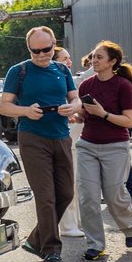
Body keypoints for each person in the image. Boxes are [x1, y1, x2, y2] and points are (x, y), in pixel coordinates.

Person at [1, 25, 80, 262]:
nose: (41, 55)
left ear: (54, 45)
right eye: (35, 51)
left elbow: (75, 98)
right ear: (29, 49)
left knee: (66, 193)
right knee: (45, 197)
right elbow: (4, 106)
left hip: (61, 136)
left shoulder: (62, 70)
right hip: (32, 138)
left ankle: (36, 239)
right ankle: (51, 250)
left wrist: (73, 107)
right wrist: (26, 111)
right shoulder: (19, 71)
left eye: (46, 50)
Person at [74, 42, 132, 261]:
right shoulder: (86, 85)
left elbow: (129, 121)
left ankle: (130, 226)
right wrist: (76, 116)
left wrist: (103, 114)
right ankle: (95, 244)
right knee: (88, 198)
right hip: (87, 146)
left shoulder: (123, 86)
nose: (94, 60)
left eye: (99, 57)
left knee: (114, 195)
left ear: (112, 62)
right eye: (93, 56)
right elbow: (85, 115)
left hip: (115, 147)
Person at [54, 47, 85, 238]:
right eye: (64, 58)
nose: (69, 62)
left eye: (69, 58)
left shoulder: (66, 79)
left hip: (77, 137)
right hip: (67, 137)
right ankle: (67, 225)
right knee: (68, 183)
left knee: (76, 183)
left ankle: (76, 221)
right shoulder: (60, 80)